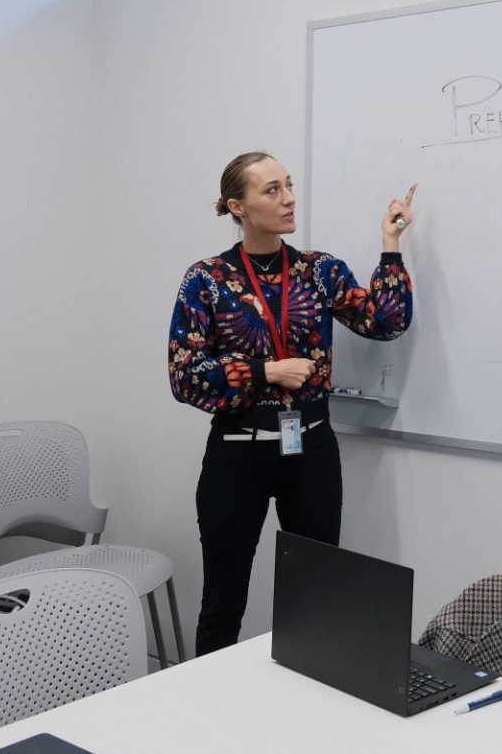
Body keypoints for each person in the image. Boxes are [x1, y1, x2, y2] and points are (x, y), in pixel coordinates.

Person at [168, 151, 416, 655]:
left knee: (318, 594)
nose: (289, 199)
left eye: (289, 185)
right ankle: (206, 716)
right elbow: (184, 377)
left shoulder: (319, 271)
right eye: (272, 190)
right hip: (237, 453)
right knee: (222, 601)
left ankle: (308, 714)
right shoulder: (207, 280)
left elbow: (385, 323)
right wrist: (266, 371)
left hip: (311, 450)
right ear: (238, 206)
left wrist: (390, 244)